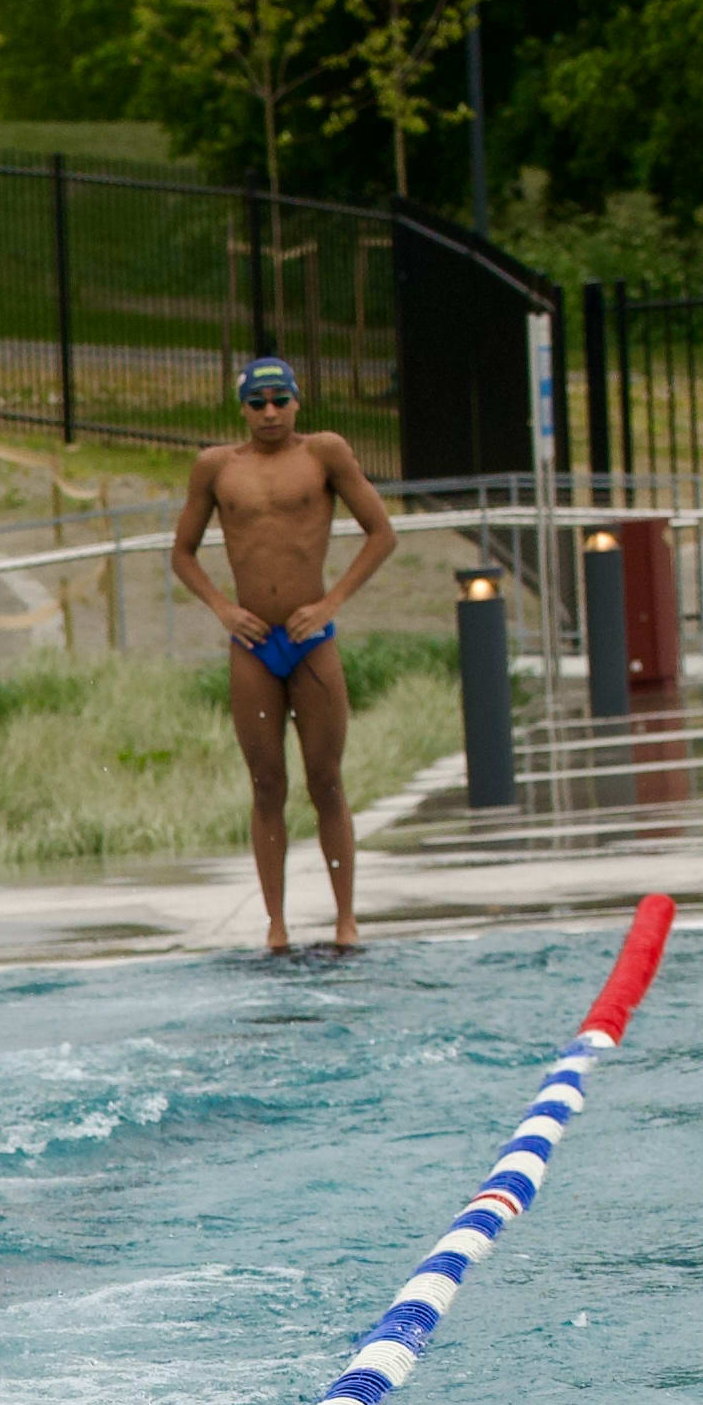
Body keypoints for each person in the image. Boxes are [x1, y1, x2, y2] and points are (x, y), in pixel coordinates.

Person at [168, 358, 400, 957]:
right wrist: (223, 609)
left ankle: (345, 918)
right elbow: (183, 554)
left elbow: (381, 532)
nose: (269, 413)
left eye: (279, 400)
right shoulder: (216, 468)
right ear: (241, 409)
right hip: (252, 643)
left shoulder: (325, 454)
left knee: (326, 781)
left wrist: (330, 603)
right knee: (267, 785)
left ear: (297, 402)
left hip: (311, 642)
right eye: (257, 403)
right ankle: (277, 925)